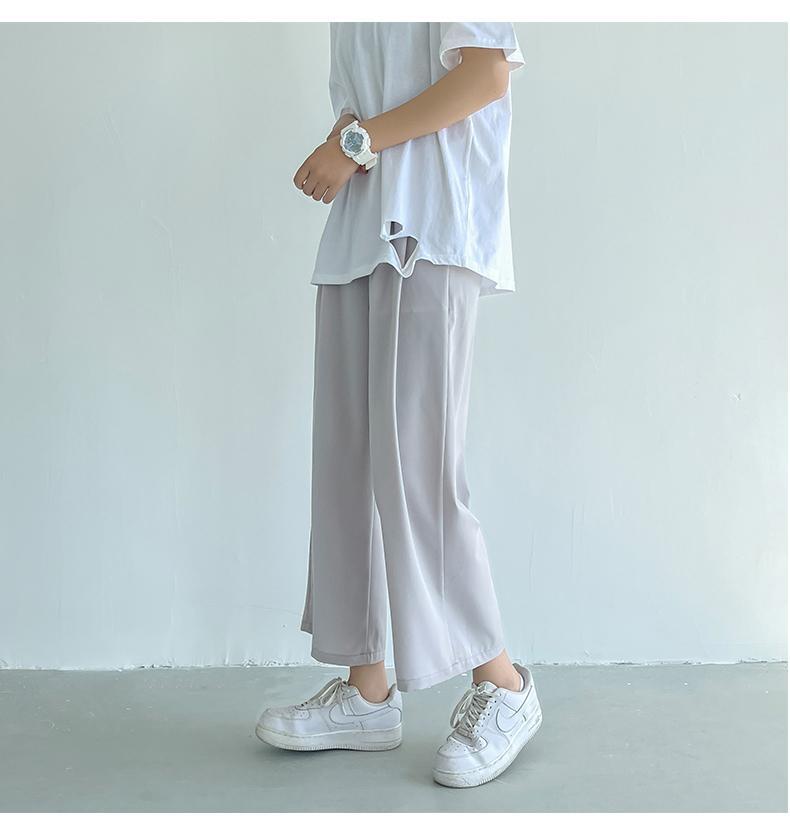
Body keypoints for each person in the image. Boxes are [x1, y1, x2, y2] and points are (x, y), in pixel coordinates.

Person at [256, 22, 541, 789]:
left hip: (433, 222)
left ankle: (503, 684)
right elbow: (374, 95)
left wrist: (354, 145)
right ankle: (368, 691)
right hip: (361, 224)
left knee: (418, 468)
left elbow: (485, 74)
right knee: (347, 462)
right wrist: (345, 141)